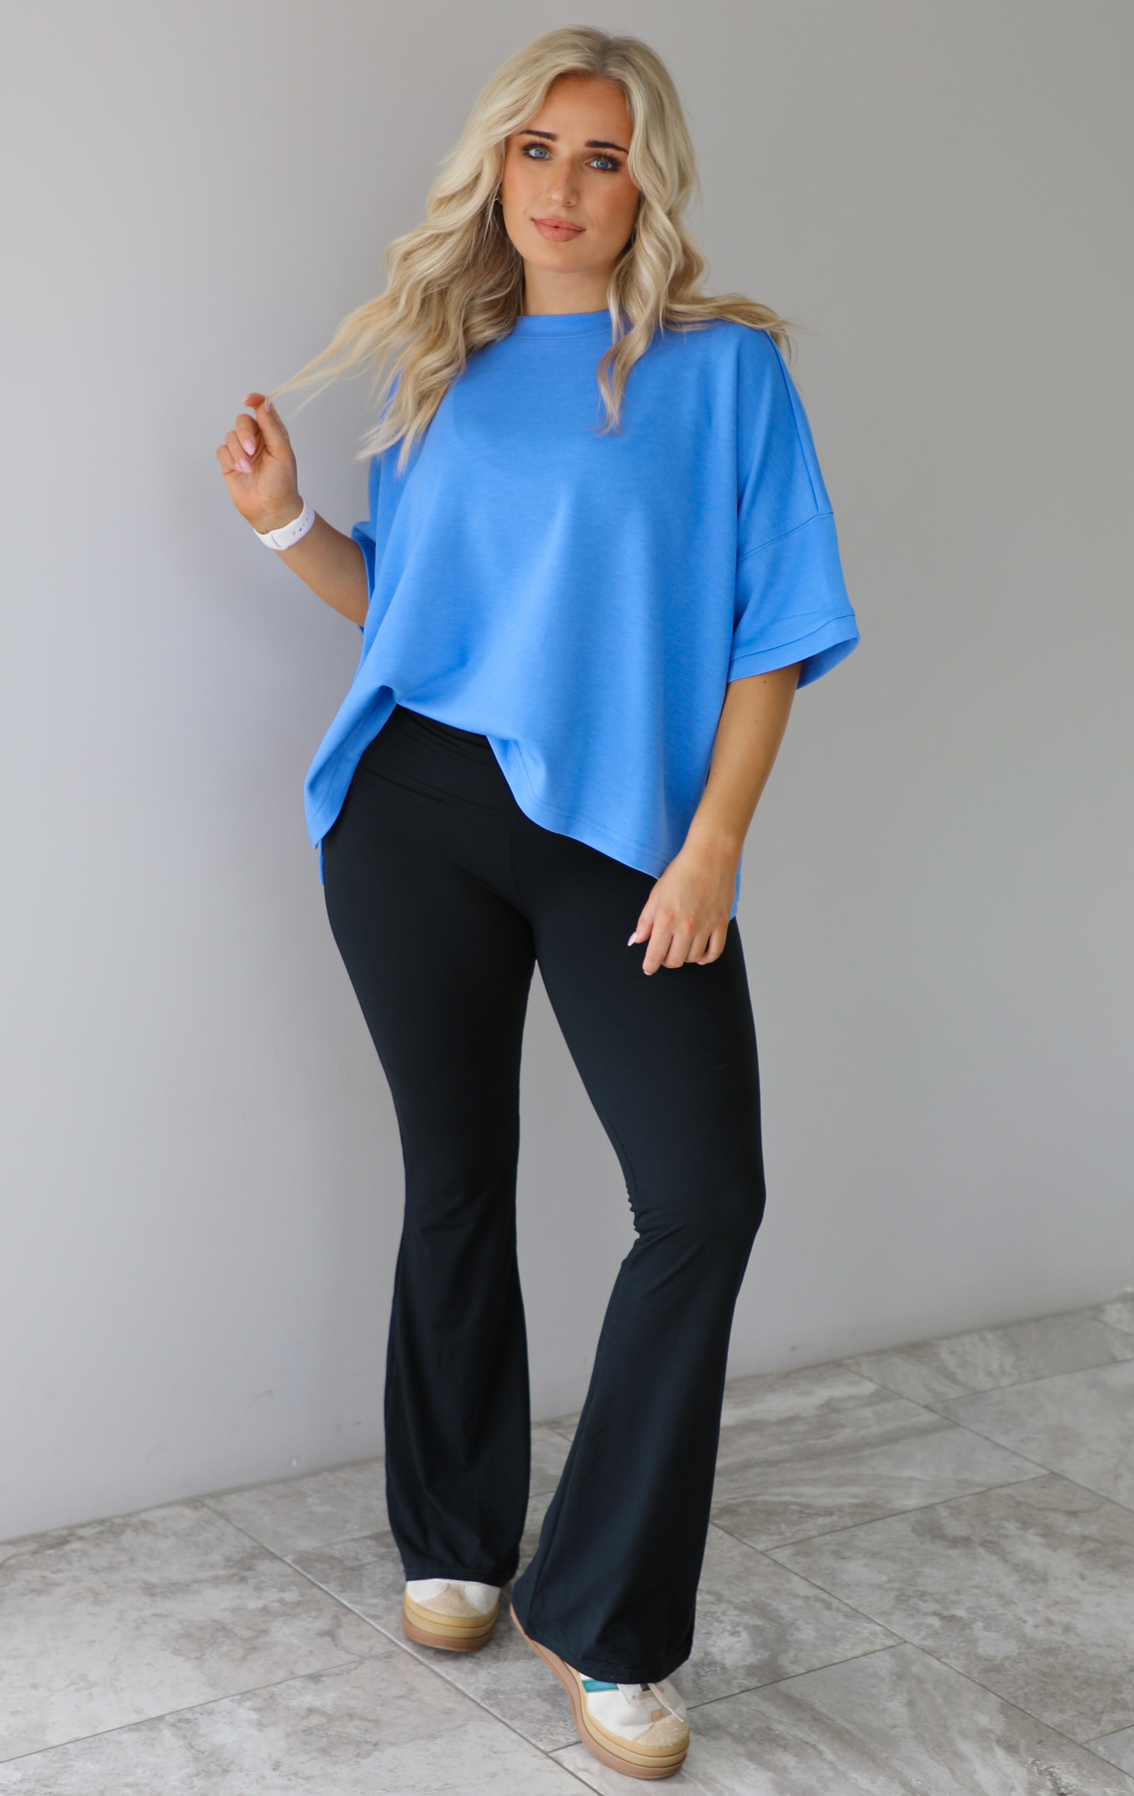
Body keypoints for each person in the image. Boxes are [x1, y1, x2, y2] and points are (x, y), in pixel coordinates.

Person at [216, 26, 857, 1781]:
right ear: (495, 171)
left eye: (602, 155)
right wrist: (287, 528)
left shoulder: (725, 374)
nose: (565, 187)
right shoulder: (445, 363)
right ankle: (452, 1535)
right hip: (415, 811)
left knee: (704, 1195)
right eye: (538, 152)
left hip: (624, 839)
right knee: (455, 1178)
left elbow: (776, 633)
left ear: (646, 180)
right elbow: (414, 615)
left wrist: (713, 843)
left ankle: (612, 1612)